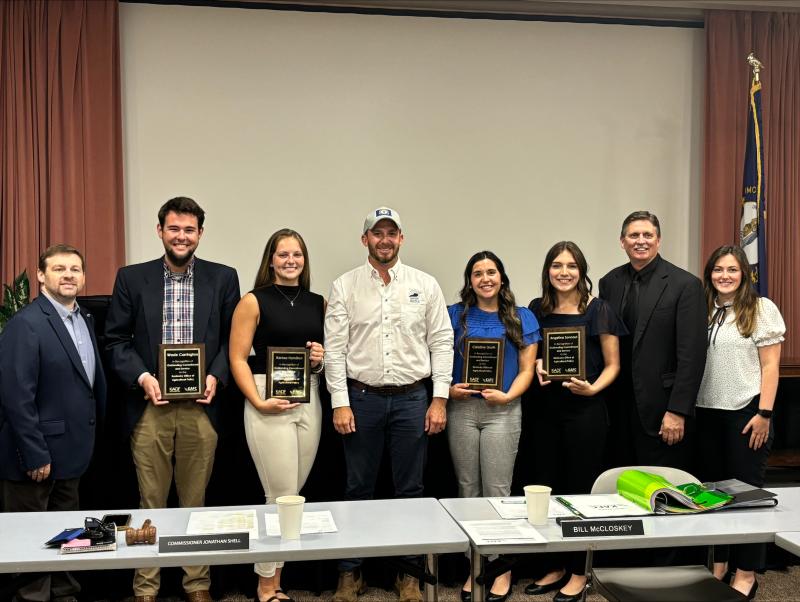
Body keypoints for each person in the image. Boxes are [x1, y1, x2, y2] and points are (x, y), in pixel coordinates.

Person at [105, 197, 240, 602]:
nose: (181, 236)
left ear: (200, 233)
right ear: (160, 231)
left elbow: (234, 341)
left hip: (202, 407)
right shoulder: (132, 278)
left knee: (195, 502)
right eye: (174, 229)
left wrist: (216, 375)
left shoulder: (223, 277)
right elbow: (115, 341)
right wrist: (143, 377)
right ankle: (146, 587)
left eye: (189, 229)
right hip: (151, 406)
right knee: (150, 499)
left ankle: (197, 584)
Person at [324, 207, 454, 602]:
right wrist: (339, 403)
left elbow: (441, 342)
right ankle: (351, 573)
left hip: (413, 399)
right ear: (365, 239)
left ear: (401, 238)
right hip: (361, 399)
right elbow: (334, 350)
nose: (384, 239)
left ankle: (408, 574)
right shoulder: (344, 286)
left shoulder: (425, 285)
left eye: (391, 233)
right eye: (376, 233)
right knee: (357, 489)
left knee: (410, 490)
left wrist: (440, 399)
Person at [0, 244, 107, 602]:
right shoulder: (26, 324)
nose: (68, 275)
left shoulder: (84, 319)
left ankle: (64, 594)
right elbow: (16, 397)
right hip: (36, 458)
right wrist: (34, 454)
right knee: (33, 542)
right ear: (42, 276)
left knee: (68, 535)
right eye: (59, 269)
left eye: (75, 269)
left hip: (71, 452)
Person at [525, 241, 625, 602]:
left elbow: (614, 364)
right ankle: (555, 565)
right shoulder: (537, 309)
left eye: (571, 265)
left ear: (582, 271)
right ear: (547, 271)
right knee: (547, 491)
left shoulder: (599, 309)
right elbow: (532, 356)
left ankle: (580, 570)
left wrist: (593, 388)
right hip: (545, 412)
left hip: (585, 412)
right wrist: (536, 364)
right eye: (556, 265)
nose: (563, 272)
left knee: (580, 493)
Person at [229, 229, 325, 602]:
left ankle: (275, 577)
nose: (290, 261)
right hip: (266, 399)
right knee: (279, 494)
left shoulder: (319, 302)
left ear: (304, 259)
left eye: (296, 254)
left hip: (308, 398)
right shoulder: (253, 301)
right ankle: (267, 583)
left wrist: (319, 359)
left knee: (293, 495)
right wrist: (257, 400)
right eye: (282, 254)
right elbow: (237, 357)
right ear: (270, 260)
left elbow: (324, 359)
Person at [448, 251, 538, 602]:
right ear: (469, 280)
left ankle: (501, 569)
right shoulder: (454, 315)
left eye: (491, 272)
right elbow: (438, 360)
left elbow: (528, 369)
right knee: (467, 489)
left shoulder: (522, 317)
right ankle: (474, 567)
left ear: (502, 277)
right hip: (463, 411)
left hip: (503, 411)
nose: (485, 278)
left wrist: (508, 396)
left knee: (498, 491)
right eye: (477, 273)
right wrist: (450, 391)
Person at [695, 245, 784, 599]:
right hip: (705, 413)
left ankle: (746, 572)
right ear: (709, 274)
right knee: (711, 496)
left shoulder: (761, 309)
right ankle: (718, 564)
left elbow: (771, 368)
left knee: (747, 498)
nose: (724, 276)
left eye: (732, 270)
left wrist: (764, 414)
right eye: (718, 270)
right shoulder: (702, 308)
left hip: (747, 414)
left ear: (744, 273)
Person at [598, 211, 706, 471]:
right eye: (634, 235)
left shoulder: (685, 285)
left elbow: (692, 355)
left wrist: (678, 411)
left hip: (662, 412)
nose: (641, 241)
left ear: (658, 240)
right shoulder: (609, 282)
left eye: (648, 234)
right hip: (616, 410)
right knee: (619, 487)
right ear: (622, 241)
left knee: (661, 493)